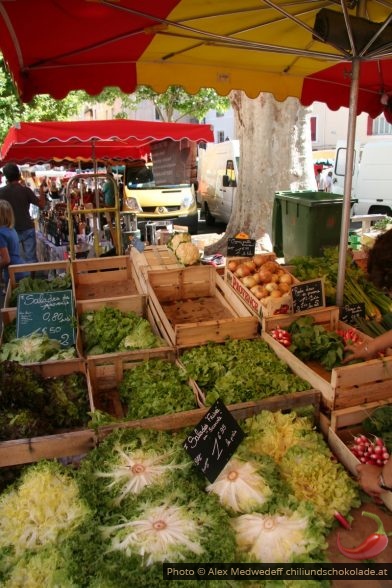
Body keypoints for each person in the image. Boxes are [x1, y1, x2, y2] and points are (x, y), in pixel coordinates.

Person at [0, 163, 45, 264]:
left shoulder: (1, 192)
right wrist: (42, 189)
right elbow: (42, 205)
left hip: (10, 229)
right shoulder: (25, 191)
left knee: (13, 259)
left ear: (6, 176)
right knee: (31, 259)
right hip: (27, 227)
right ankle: (31, 279)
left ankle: (15, 279)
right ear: (18, 174)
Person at [0, 199, 28, 289]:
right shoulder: (11, 229)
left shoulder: (1, 233)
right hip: (20, 268)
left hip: (13, 272)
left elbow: (6, 259)